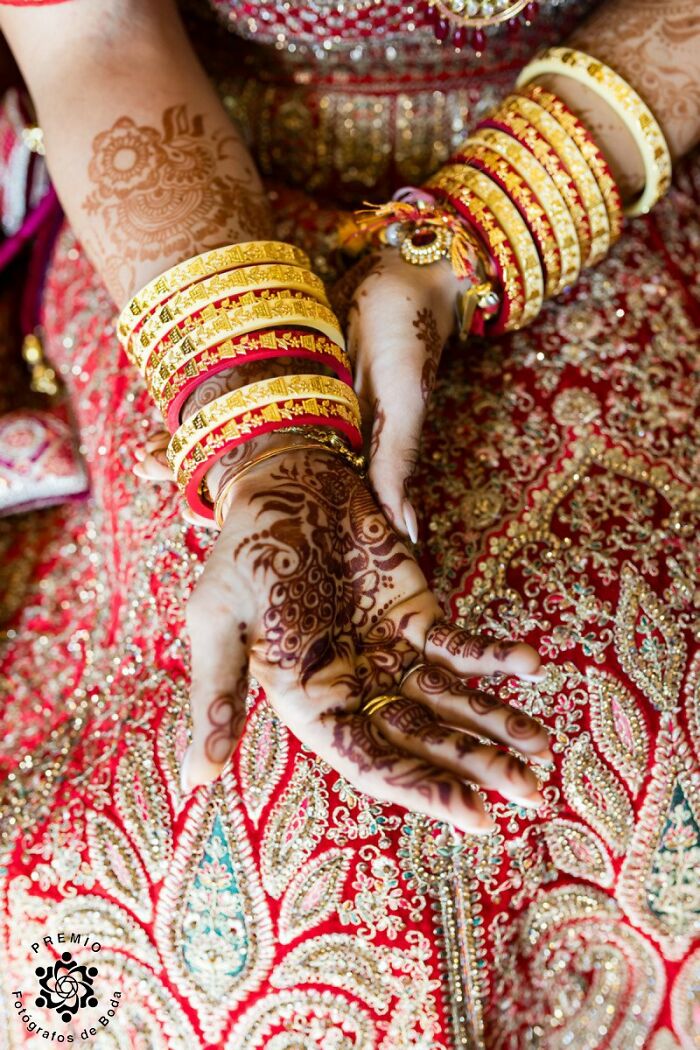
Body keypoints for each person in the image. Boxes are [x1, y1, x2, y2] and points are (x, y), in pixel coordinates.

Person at [0, 0, 697, 1045]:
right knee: (164, 857)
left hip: (614, 146)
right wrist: (267, 444)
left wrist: (478, 231)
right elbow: (92, 33)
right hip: (192, 199)